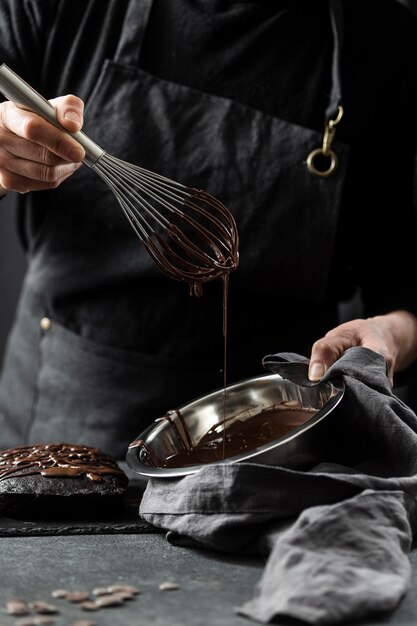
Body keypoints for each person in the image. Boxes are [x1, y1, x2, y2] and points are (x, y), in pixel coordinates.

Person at [0, 0, 417, 459]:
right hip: (68, 422)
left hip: (277, 437)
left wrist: (391, 335)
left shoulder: (385, 42)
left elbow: (403, 288)